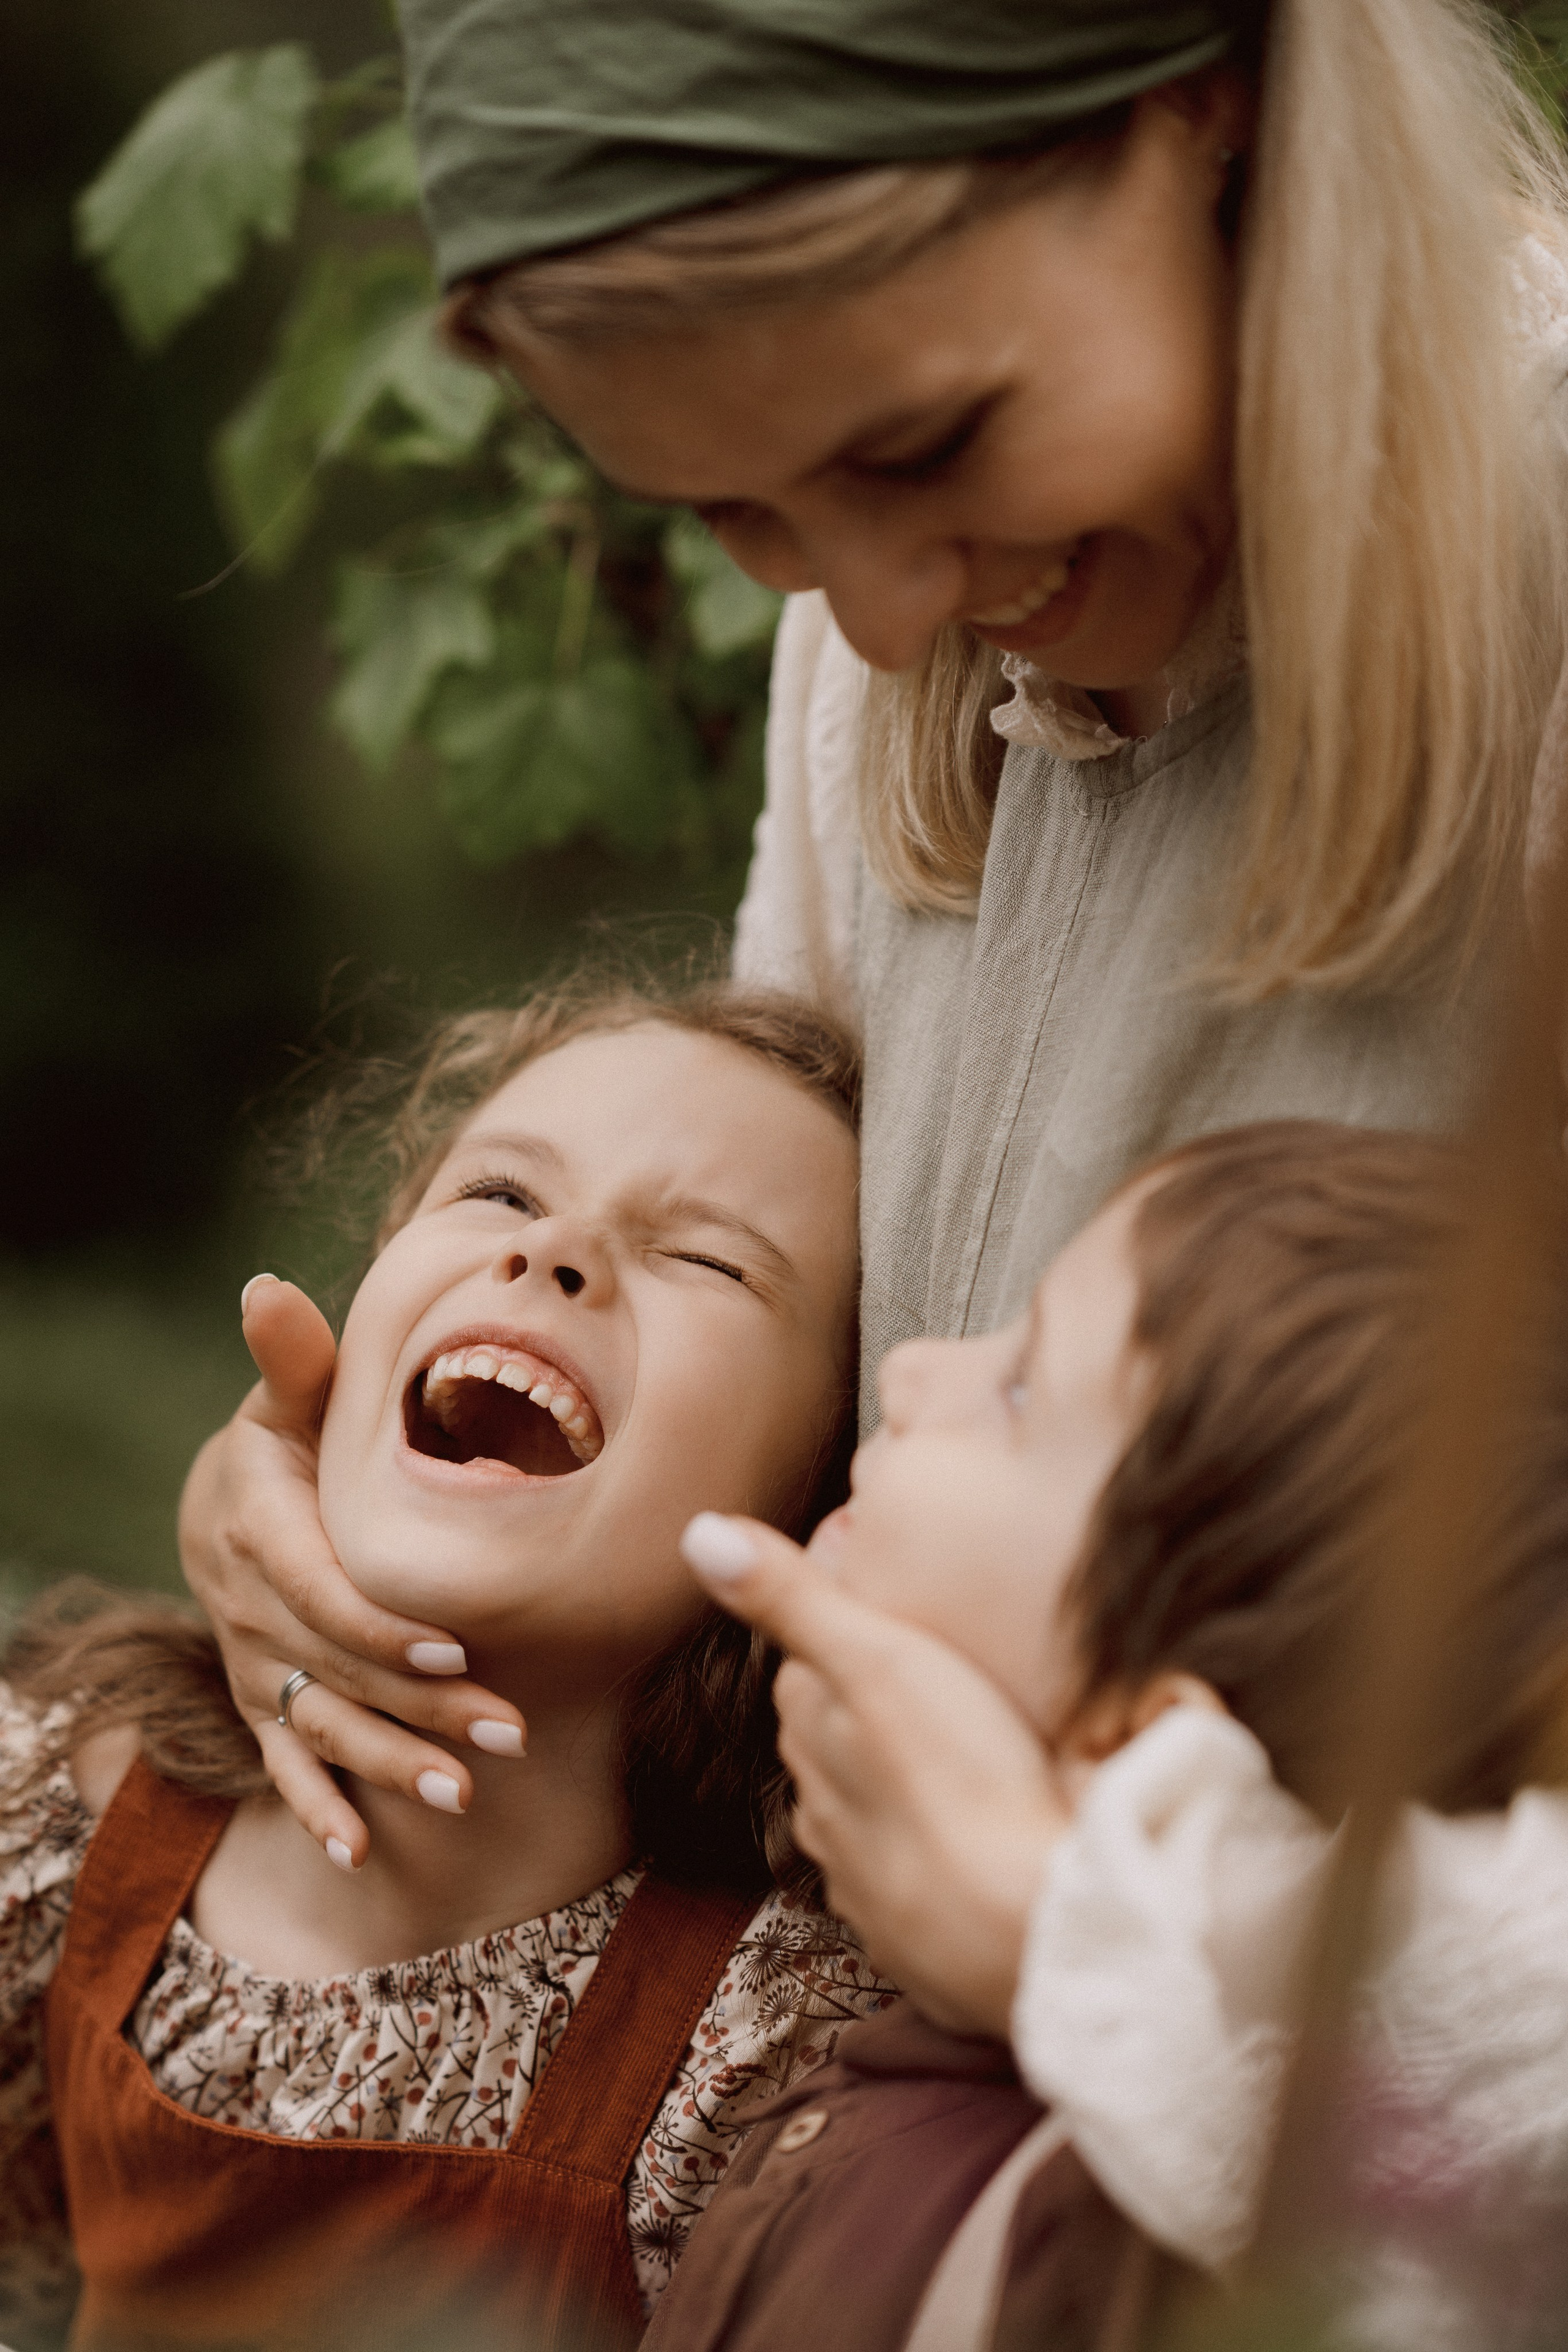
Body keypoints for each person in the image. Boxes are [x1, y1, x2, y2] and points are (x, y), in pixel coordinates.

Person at [172, 0, 1568, 1853]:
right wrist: (336, 1515)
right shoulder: (878, 637)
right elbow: (748, 1379)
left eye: (930, 442)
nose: (886, 623)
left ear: (1204, 98)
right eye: (742, 510)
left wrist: (1103, 1965)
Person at [0, 979, 895, 2352]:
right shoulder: (55, 1802)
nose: (559, 1253)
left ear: (816, 1493)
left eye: (708, 1261)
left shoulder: (777, 2069)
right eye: (497, 1194)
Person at [657, 1118, 1568, 2351]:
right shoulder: (894, 2065)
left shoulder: (1095, 2264)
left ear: (1149, 1755)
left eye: (1022, 1389)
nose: (912, 1365)